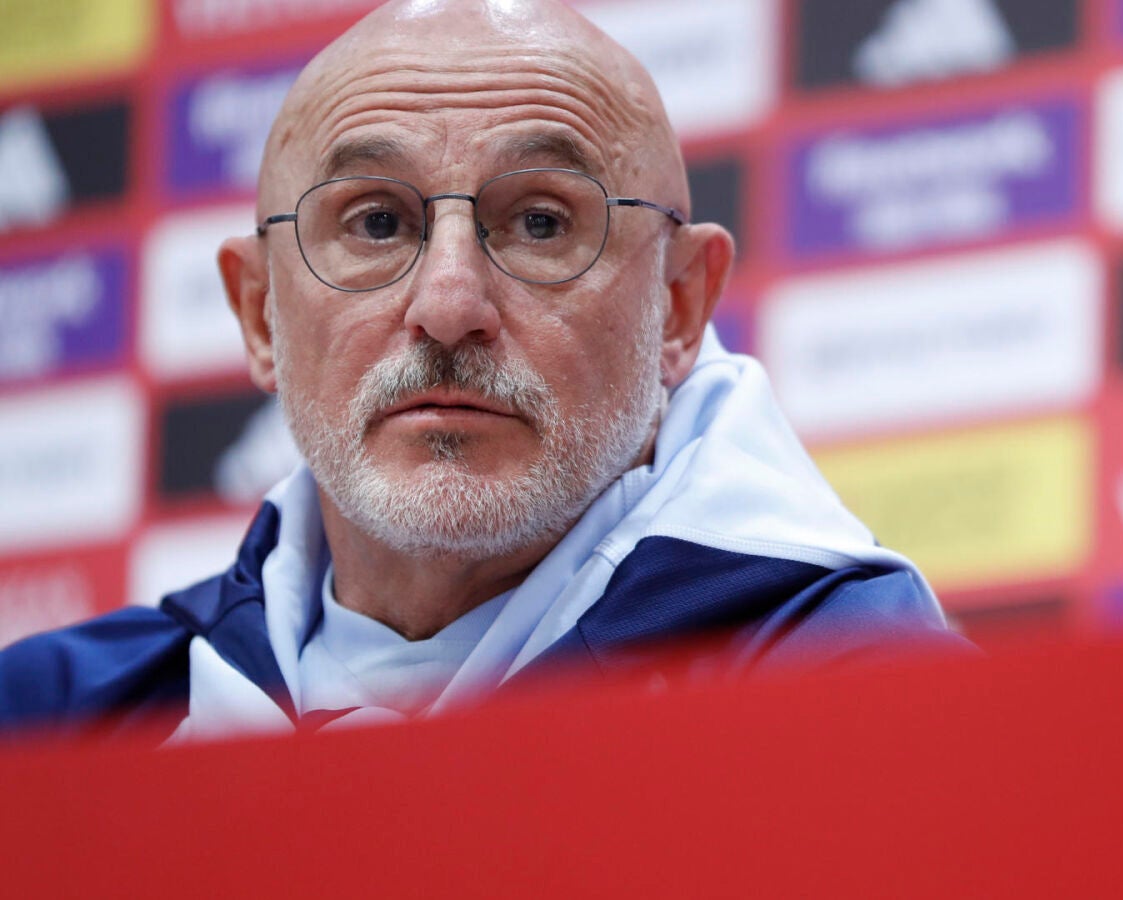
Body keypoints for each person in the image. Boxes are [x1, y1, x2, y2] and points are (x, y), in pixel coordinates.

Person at [0, 0, 969, 742]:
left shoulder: (871, 699)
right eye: (376, 222)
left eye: (541, 222)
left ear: (677, 305)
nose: (449, 304)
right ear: (260, 314)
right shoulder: (49, 727)